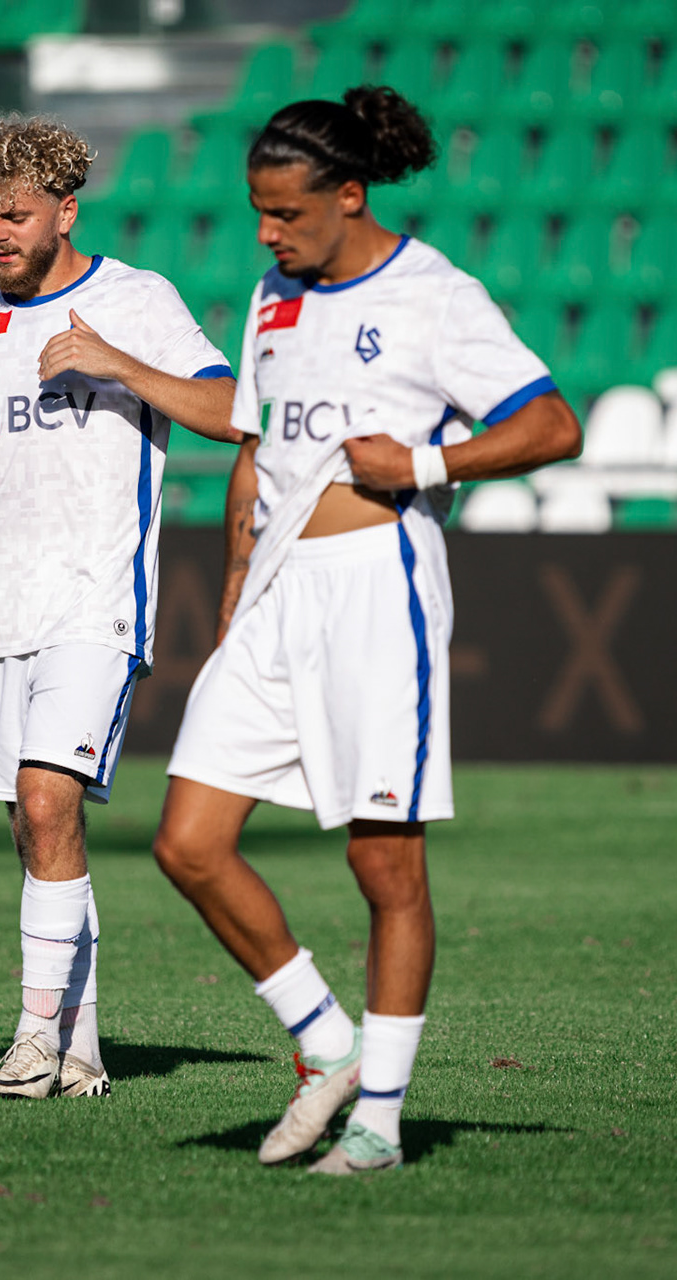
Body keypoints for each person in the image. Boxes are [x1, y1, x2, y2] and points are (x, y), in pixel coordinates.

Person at [151, 87, 583, 1172]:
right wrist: (234, 588)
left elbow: (552, 424)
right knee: (188, 842)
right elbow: (254, 443)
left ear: (350, 195)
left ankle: (380, 1121)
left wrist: (426, 462)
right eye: (258, 212)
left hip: (378, 588)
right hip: (274, 594)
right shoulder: (273, 296)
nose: (267, 233)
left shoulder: (435, 296)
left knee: (384, 864)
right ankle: (326, 1040)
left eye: (286, 213)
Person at [0, 116, 238, 1099]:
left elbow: (235, 411)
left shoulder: (135, 300)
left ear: (66, 211)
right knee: (36, 833)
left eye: (15, 216)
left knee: (46, 798)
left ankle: (29, 1041)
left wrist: (118, 364)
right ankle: (81, 1050)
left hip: (97, 601)